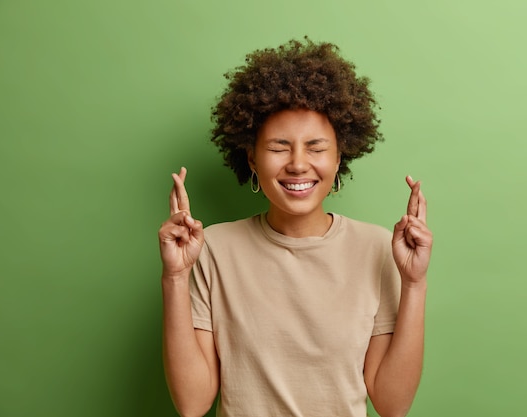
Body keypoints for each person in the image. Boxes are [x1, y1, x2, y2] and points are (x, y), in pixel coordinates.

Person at [158, 38, 433, 417]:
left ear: (340, 157)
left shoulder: (377, 248)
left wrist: (414, 283)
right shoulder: (213, 250)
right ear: (252, 158)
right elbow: (192, 403)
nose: (298, 164)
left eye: (317, 148)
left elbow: (392, 404)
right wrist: (174, 276)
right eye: (279, 147)